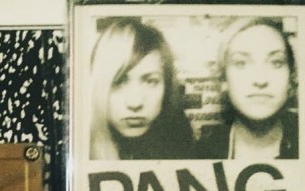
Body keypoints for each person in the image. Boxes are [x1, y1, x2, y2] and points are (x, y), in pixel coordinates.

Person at [89, 18, 195, 159]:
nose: (135, 103)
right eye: (118, 82)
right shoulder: (78, 148)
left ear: (167, 87)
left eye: (151, 81)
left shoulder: (182, 144)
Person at [198, 18, 298, 159]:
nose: (260, 80)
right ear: (224, 79)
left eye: (276, 62)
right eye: (241, 63)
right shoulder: (200, 153)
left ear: (291, 78)